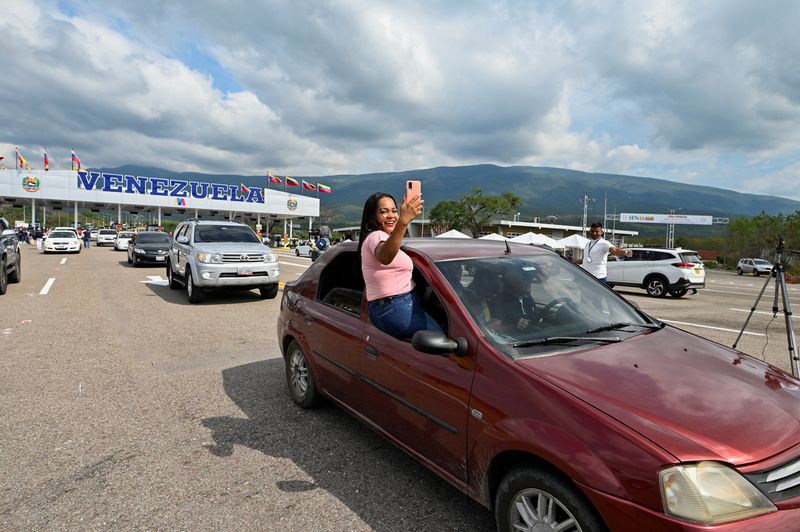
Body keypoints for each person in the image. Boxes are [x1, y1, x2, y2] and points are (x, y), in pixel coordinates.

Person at [358, 191, 441, 338]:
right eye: (383, 212)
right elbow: (384, 257)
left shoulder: (388, 239)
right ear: (372, 216)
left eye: (394, 211)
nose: (391, 216)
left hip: (400, 303)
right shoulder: (375, 236)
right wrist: (403, 221)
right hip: (395, 306)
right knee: (441, 339)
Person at [487, 267, 540, 334]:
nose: (529, 283)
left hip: (536, 334)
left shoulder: (527, 297)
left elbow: (536, 316)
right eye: (524, 279)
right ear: (513, 281)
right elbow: (491, 328)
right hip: (515, 339)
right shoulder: (500, 300)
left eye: (530, 279)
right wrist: (514, 326)